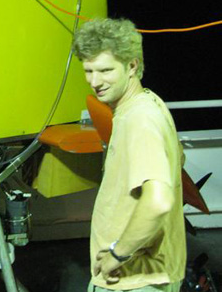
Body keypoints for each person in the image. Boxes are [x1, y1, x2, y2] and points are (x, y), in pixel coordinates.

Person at [72, 18, 185, 292]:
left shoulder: (139, 119)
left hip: (133, 280)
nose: (95, 82)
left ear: (132, 65)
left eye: (105, 70)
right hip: (147, 275)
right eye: (88, 71)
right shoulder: (148, 103)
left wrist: (117, 255)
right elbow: (176, 162)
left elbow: (158, 200)